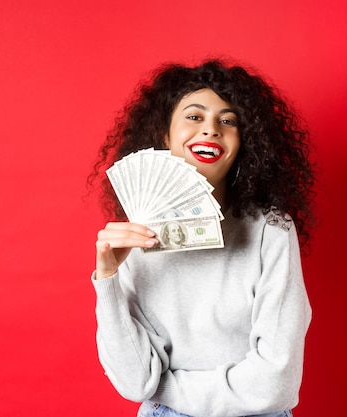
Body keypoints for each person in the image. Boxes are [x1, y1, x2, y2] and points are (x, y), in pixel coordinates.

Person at [88, 59, 316, 417]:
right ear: (164, 135)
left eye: (228, 121)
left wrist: (165, 389)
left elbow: (276, 384)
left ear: (244, 143)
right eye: (194, 117)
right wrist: (108, 279)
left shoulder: (270, 230)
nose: (211, 129)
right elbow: (134, 383)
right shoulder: (135, 239)